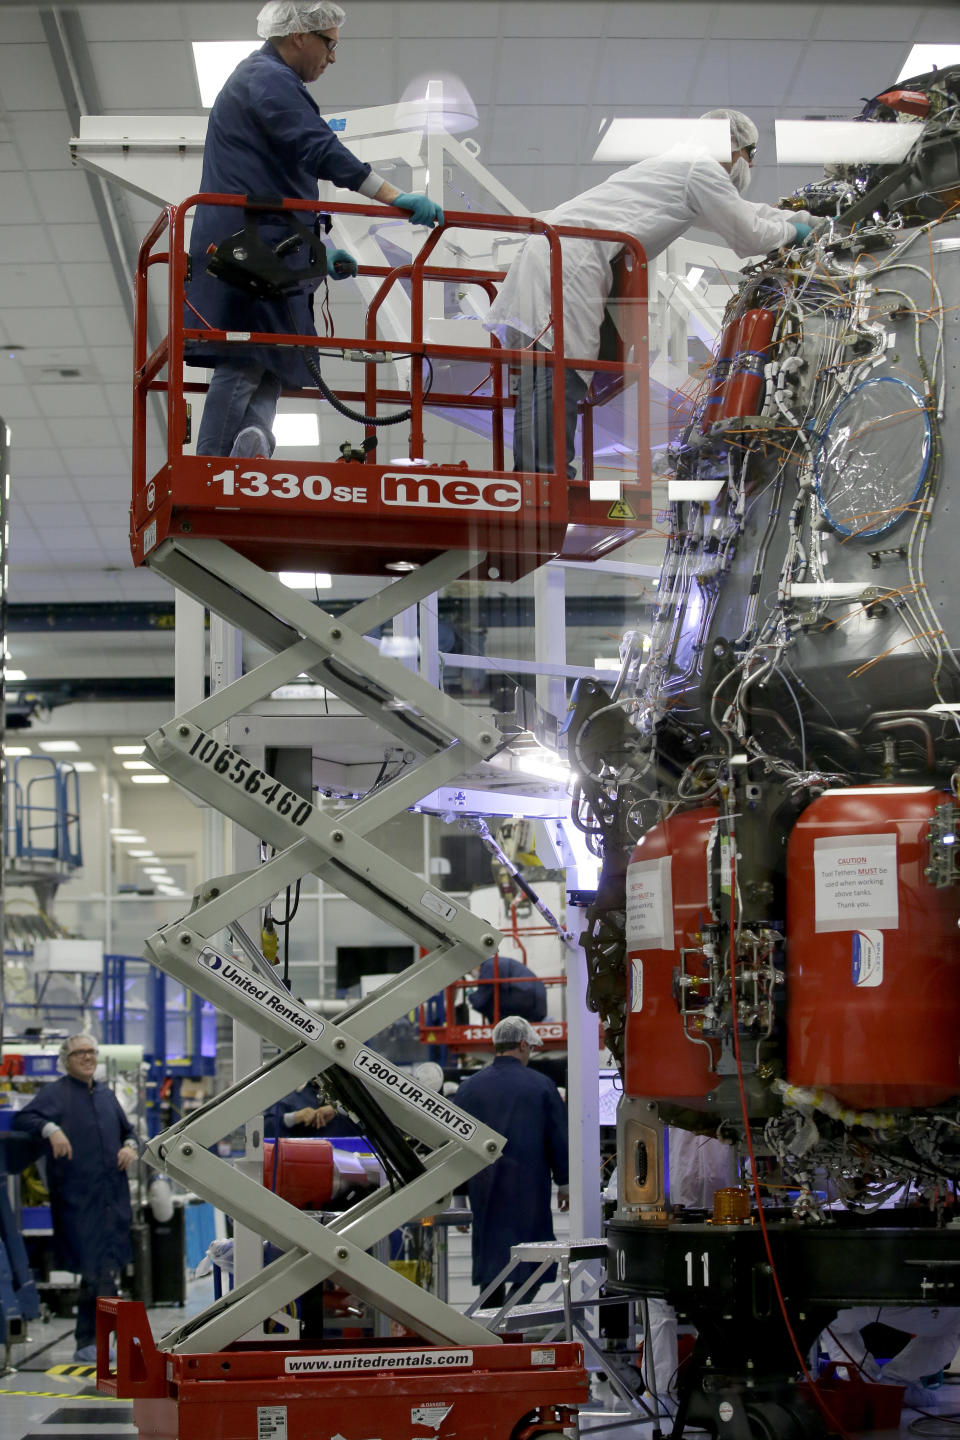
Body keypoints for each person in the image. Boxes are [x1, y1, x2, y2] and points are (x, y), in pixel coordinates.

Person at [484, 108, 816, 477]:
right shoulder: (701, 167)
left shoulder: (679, 168)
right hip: (570, 263)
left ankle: (535, 474)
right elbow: (748, 234)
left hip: (554, 255)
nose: (747, 166)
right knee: (561, 371)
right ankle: (544, 478)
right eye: (749, 156)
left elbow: (740, 212)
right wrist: (798, 234)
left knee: (545, 372)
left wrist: (800, 219)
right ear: (734, 146)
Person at [190, 0, 444, 461]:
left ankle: (251, 450)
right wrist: (390, 195)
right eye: (329, 44)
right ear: (299, 35)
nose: (332, 57)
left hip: (270, 244)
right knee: (248, 356)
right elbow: (317, 147)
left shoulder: (269, 82)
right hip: (248, 247)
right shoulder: (265, 80)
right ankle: (211, 465)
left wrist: (317, 249)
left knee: (277, 360)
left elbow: (280, 181)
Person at [13, 1033, 137, 1363]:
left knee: (107, 1271)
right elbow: (24, 1118)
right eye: (79, 1052)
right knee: (96, 1272)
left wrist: (130, 1147)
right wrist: (50, 1129)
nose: (87, 1057)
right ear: (65, 1060)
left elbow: (129, 1131)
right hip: (79, 1202)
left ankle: (100, 1342)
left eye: (91, 1052)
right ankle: (92, 1341)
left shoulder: (107, 1096)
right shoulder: (56, 1094)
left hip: (113, 1199)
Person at [455, 1015, 569, 1308]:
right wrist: (565, 1182)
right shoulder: (543, 1086)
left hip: (484, 1188)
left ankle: (493, 1322)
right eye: (530, 1048)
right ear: (522, 1044)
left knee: (491, 1257)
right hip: (528, 1187)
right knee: (535, 1258)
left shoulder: (468, 1089)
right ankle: (512, 1316)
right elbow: (558, 1137)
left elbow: (454, 1145)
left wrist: (458, 1198)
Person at [823, 1306, 960, 1410]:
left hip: (848, 1303)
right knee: (954, 1322)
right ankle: (896, 1384)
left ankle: (859, 1380)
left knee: (825, 1319)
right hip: (913, 1305)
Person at [469, 953, 548, 1026]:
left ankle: (497, 1025)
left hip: (526, 999)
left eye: (470, 972)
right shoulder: (495, 962)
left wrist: (470, 998)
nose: (472, 975)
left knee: (489, 1002)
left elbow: (482, 998)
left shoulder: (488, 966)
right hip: (536, 1007)